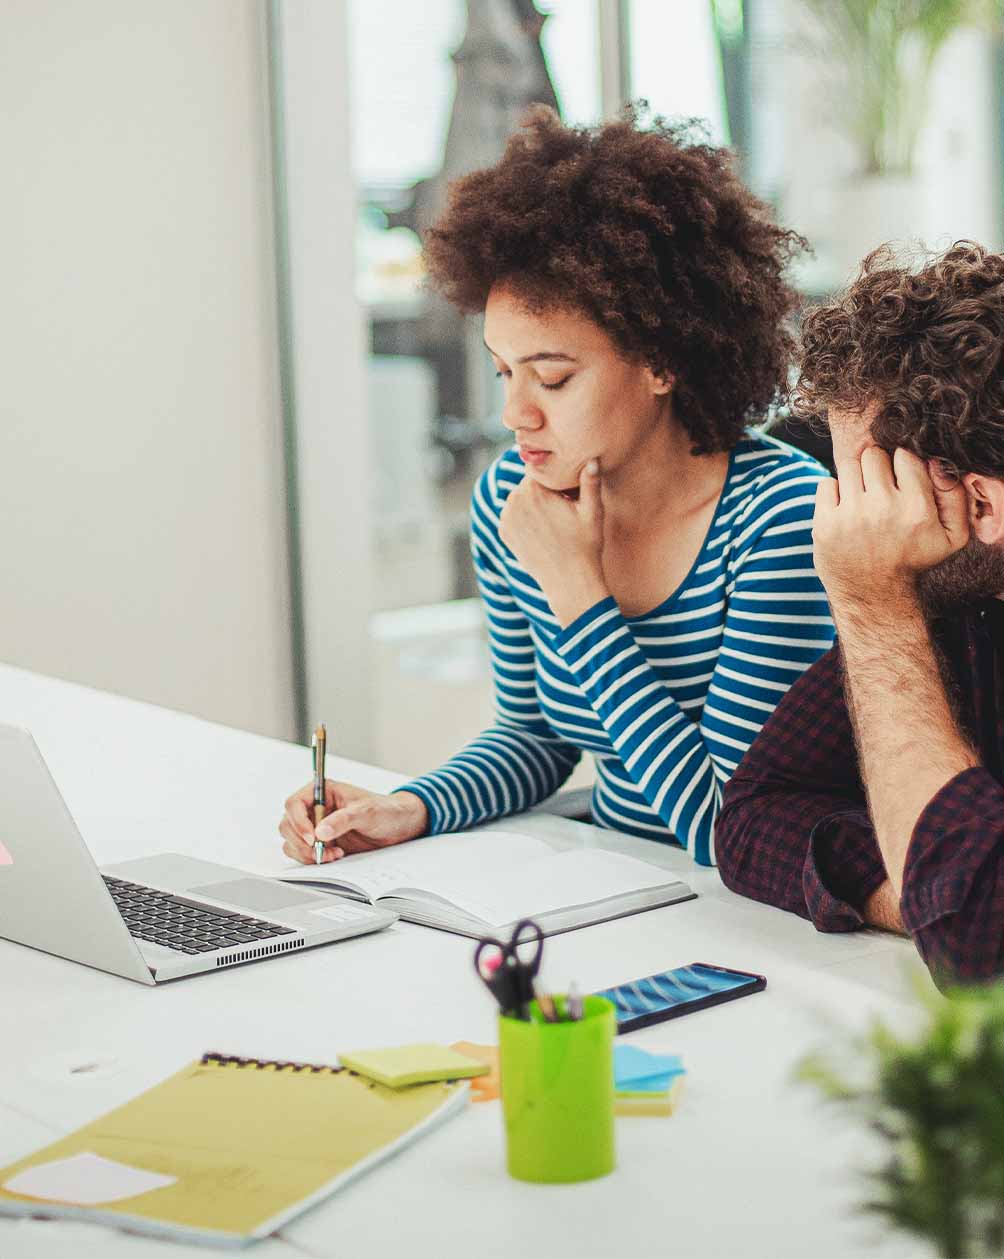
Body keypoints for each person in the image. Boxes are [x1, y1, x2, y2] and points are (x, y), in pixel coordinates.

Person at [279, 106, 834, 871]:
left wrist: (580, 595)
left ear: (662, 361)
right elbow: (535, 735)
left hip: (762, 916)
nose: (514, 413)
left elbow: (728, 829)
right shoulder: (517, 493)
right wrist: (411, 805)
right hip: (610, 887)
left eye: (553, 376)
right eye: (505, 372)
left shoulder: (779, 517)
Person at [715, 241, 1004, 985]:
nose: (839, 512)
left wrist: (873, 607)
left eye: (859, 481)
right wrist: (928, 888)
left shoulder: (896, 604)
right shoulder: (963, 604)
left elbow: (981, 958)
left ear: (978, 502)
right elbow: (751, 818)